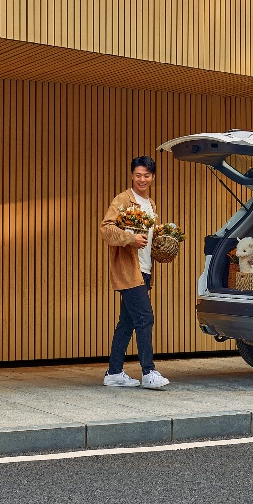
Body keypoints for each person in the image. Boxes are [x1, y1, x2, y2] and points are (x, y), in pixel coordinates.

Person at [99, 155, 170, 390]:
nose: (142, 179)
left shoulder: (151, 204)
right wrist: (130, 238)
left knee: (127, 322)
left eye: (146, 175)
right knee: (145, 318)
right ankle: (148, 372)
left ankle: (114, 372)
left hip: (145, 269)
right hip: (129, 270)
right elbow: (106, 229)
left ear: (153, 177)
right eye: (138, 175)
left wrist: (161, 246)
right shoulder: (123, 199)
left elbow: (148, 238)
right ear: (132, 175)